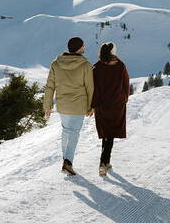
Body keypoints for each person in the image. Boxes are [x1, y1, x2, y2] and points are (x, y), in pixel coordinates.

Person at [44, 36, 94, 176]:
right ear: (79, 48)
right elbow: (90, 87)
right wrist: (91, 106)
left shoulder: (56, 64)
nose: (84, 48)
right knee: (74, 133)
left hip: (63, 105)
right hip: (79, 105)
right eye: (83, 46)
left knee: (66, 131)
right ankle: (68, 162)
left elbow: (50, 86)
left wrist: (47, 105)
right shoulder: (85, 65)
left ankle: (65, 160)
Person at [91, 42, 130, 176]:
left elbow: (93, 88)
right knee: (110, 133)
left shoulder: (96, 67)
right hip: (116, 104)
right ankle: (103, 163)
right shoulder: (120, 65)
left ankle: (105, 162)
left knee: (107, 133)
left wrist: (93, 104)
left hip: (102, 105)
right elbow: (126, 84)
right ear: (112, 52)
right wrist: (124, 98)